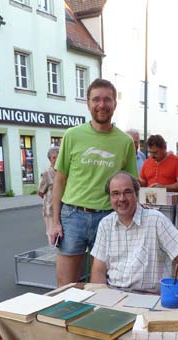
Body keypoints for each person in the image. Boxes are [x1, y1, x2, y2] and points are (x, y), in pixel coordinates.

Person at [51, 78, 138, 286]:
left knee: (104, 285)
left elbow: (132, 186)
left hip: (109, 217)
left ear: (115, 103)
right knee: (66, 285)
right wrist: (55, 222)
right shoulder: (72, 135)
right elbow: (59, 181)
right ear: (88, 103)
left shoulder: (125, 142)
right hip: (73, 217)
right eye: (96, 99)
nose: (102, 105)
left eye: (107, 99)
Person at [90, 171, 178, 293]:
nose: (121, 198)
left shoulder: (156, 220)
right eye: (115, 194)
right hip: (114, 293)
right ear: (110, 197)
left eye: (127, 192)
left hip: (148, 296)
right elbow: (98, 271)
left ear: (137, 194)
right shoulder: (105, 224)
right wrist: (100, 297)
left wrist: (171, 294)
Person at [38, 145, 59, 244]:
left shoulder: (63, 173)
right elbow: (40, 192)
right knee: (52, 235)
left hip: (63, 209)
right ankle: (53, 251)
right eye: (54, 158)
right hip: (50, 210)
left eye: (58, 157)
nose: (56, 160)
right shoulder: (46, 174)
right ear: (50, 159)